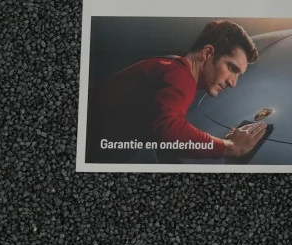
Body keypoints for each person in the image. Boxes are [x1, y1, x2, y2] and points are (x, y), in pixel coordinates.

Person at [84, 20, 269, 163]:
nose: (233, 82)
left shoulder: (170, 67)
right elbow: (169, 131)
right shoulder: (178, 75)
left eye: (238, 75)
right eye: (231, 68)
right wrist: (229, 147)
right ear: (208, 53)